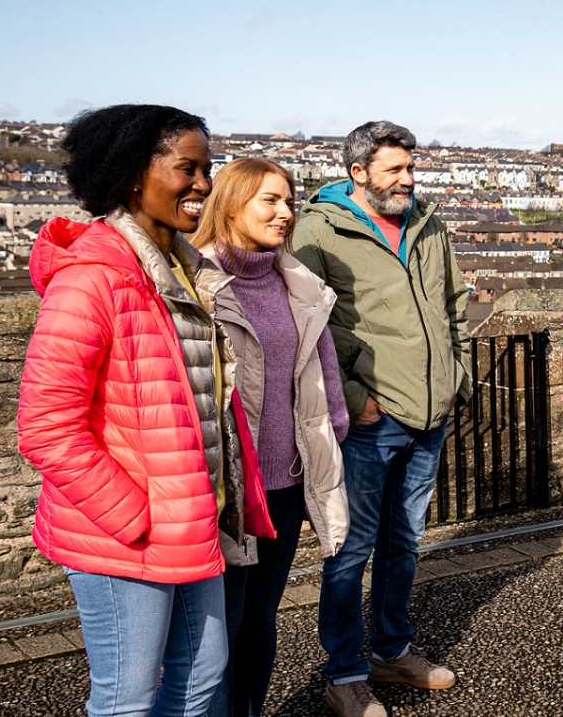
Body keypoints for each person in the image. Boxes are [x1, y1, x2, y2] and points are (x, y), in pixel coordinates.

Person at [19, 104, 268, 716]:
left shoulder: (186, 272)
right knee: (125, 697)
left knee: (202, 674)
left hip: (190, 519)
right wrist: (137, 516)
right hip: (126, 531)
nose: (204, 184)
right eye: (188, 168)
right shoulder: (91, 280)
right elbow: (46, 427)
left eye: (207, 168)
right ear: (134, 176)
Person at [292, 121, 471, 717]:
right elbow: (306, 327)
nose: (407, 179)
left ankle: (391, 650)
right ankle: (344, 673)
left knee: (404, 543)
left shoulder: (427, 222)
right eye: (394, 169)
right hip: (372, 419)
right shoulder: (318, 230)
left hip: (429, 414)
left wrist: (456, 378)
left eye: (411, 167)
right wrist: (351, 397)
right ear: (357, 172)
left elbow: (453, 305)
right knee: (350, 549)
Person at [193, 157, 352, 717]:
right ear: (232, 203)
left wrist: (331, 437)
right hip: (227, 489)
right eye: (271, 200)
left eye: (290, 201)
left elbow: (324, 376)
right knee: (221, 627)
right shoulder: (198, 282)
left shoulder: (297, 282)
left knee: (261, 620)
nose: (286, 212)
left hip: (283, 484)